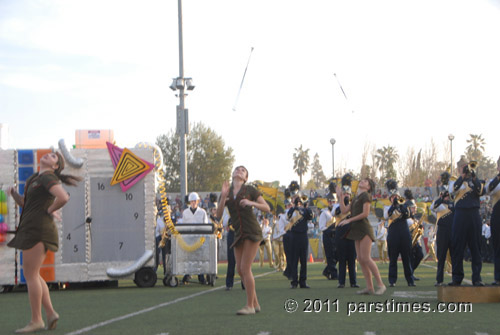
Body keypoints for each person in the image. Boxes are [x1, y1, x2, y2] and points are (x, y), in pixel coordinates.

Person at [7, 151, 81, 333]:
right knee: (34, 274)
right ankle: (50, 313)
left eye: (54, 157)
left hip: (38, 229)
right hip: (32, 228)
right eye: (50, 154)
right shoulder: (35, 178)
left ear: (55, 167)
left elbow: (63, 197)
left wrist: (50, 209)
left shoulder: (48, 177)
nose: (49, 155)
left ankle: (36, 320)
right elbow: (26, 203)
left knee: (30, 275)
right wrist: (13, 194)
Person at [216, 166, 270, 315]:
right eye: (237, 169)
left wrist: (251, 203)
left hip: (252, 231)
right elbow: (219, 214)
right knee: (240, 270)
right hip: (238, 232)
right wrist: (223, 196)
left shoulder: (250, 190)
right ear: (233, 174)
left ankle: (249, 306)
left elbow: (267, 208)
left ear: (245, 178)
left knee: (245, 269)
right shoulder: (227, 191)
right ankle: (256, 304)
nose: (239, 171)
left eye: (243, 170)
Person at [337, 178, 386, 295]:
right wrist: (340, 197)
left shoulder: (366, 196)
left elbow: (365, 214)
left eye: (365, 182)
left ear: (368, 187)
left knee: (366, 258)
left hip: (364, 229)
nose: (362, 182)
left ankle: (380, 285)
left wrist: (349, 221)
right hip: (356, 230)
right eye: (363, 181)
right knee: (360, 259)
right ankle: (369, 287)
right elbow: (344, 210)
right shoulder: (356, 198)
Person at [449, 157, 485, 286]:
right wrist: (463, 176)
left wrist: (474, 178)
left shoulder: (477, 181)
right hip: (460, 214)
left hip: (474, 213)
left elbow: (481, 191)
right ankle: (457, 277)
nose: (466, 168)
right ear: (459, 168)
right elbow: (452, 191)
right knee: (458, 246)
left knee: (476, 246)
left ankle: (477, 277)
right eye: (463, 167)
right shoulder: (455, 181)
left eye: (467, 166)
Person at [383, 180, 415, 287]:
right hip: (393, 234)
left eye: (396, 196)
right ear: (390, 198)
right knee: (393, 259)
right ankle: (392, 281)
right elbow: (387, 216)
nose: (395, 198)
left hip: (404, 233)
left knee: (406, 258)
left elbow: (407, 214)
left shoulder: (404, 205)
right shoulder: (387, 207)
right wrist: (394, 205)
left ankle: (410, 280)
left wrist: (400, 205)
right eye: (392, 197)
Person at [179, 192, 209, 285]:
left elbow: (205, 225)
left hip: (199, 238)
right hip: (189, 238)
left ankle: (201, 276)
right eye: (192, 201)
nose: (193, 203)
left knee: (199, 257)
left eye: (195, 201)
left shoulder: (202, 212)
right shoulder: (186, 212)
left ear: (198, 201)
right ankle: (187, 275)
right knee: (189, 258)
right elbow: (184, 225)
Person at [287, 195, 313, 289]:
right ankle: (294, 282)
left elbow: (310, 216)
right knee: (294, 260)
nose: (298, 202)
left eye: (299, 201)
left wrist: (305, 206)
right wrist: (294, 207)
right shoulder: (292, 210)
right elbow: (288, 216)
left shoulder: (305, 210)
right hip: (294, 236)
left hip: (303, 236)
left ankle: (303, 281)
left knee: (303, 260)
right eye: (297, 201)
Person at [485, 156, 500, 285]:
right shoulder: (495, 182)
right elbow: (487, 190)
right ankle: (498, 277)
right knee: (497, 247)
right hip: (498, 216)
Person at [318, 195, 338, 280]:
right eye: (331, 202)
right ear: (328, 202)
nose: (332, 204)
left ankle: (327, 270)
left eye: (334, 202)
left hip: (335, 236)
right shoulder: (324, 213)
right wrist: (331, 231)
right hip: (327, 236)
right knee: (330, 256)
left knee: (337, 255)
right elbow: (322, 227)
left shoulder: (337, 212)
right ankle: (333, 274)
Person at [154, 209, 168, 276]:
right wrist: (158, 240)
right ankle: (154, 270)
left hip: (168, 239)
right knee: (157, 253)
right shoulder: (159, 220)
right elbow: (156, 232)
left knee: (166, 256)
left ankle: (166, 271)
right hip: (160, 238)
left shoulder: (171, 220)